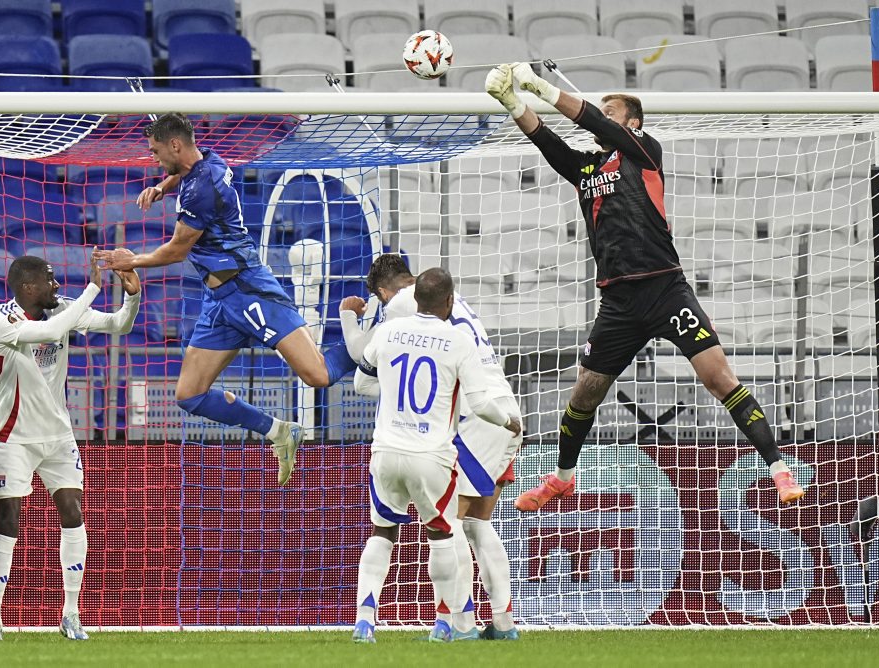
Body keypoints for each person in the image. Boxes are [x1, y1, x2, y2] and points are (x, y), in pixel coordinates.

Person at [484, 63, 805, 510]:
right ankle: (561, 478)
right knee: (584, 394)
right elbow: (549, 143)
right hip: (618, 301)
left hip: (665, 289)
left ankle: (778, 470)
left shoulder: (645, 152)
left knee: (719, 378)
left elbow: (590, 121)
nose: (602, 116)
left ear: (631, 124)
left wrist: (544, 88)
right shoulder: (589, 169)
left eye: (610, 112)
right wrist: (515, 104)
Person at [93, 113, 357, 487]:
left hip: (249, 290)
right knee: (189, 395)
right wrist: (162, 187)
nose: (152, 158)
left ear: (175, 145)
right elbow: (185, 174)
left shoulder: (203, 188)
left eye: (155, 152)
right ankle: (280, 431)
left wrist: (130, 259)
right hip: (219, 300)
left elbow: (177, 250)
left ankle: (367, 345)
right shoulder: (208, 161)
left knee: (317, 375)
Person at [341, 254, 522, 640]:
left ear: (386, 292)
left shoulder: (403, 306)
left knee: (449, 524)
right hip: (500, 405)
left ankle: (458, 623)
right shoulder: (447, 303)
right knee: (475, 523)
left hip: (475, 415)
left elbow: (360, 365)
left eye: (381, 301)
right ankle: (502, 622)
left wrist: (349, 317)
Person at [0, 252, 140, 642]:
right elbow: (52, 333)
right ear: (28, 287)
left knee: (73, 511)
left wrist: (131, 297)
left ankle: (71, 614)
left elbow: (118, 324)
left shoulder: (65, 308)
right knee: (8, 522)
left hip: (58, 436)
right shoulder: (1, 320)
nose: (56, 285)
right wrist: (94, 287)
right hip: (11, 437)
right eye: (50, 280)